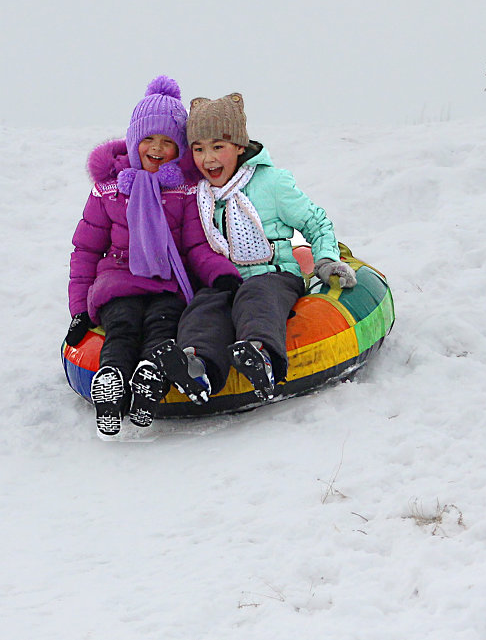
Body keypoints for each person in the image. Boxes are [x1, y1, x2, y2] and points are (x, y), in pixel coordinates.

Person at [147, 91, 358, 402]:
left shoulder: (271, 183)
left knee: (255, 297)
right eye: (199, 149)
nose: (209, 159)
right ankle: (197, 367)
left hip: (273, 275)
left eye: (219, 147)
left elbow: (316, 222)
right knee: (203, 308)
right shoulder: (198, 194)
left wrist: (325, 260)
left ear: (239, 147)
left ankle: (259, 355)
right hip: (223, 278)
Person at [65, 76, 241, 437]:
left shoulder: (185, 191)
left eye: (168, 142)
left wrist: (221, 274)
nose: (157, 149)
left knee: (162, 328)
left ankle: (148, 379)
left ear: (179, 148)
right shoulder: (109, 190)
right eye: (149, 139)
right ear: (133, 141)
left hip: (168, 285)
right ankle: (111, 381)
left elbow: (196, 247)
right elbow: (86, 249)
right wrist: (80, 309)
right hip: (118, 282)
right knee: (123, 326)